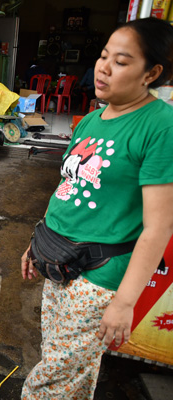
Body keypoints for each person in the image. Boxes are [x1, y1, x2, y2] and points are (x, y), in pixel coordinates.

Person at [20, 17, 173, 399]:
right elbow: (68, 188)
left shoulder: (160, 126)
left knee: (50, 379)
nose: (103, 67)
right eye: (104, 56)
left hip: (97, 275)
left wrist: (124, 303)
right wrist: (37, 241)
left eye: (121, 61)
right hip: (57, 260)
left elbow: (158, 227)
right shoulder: (91, 119)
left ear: (150, 73)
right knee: (70, 367)